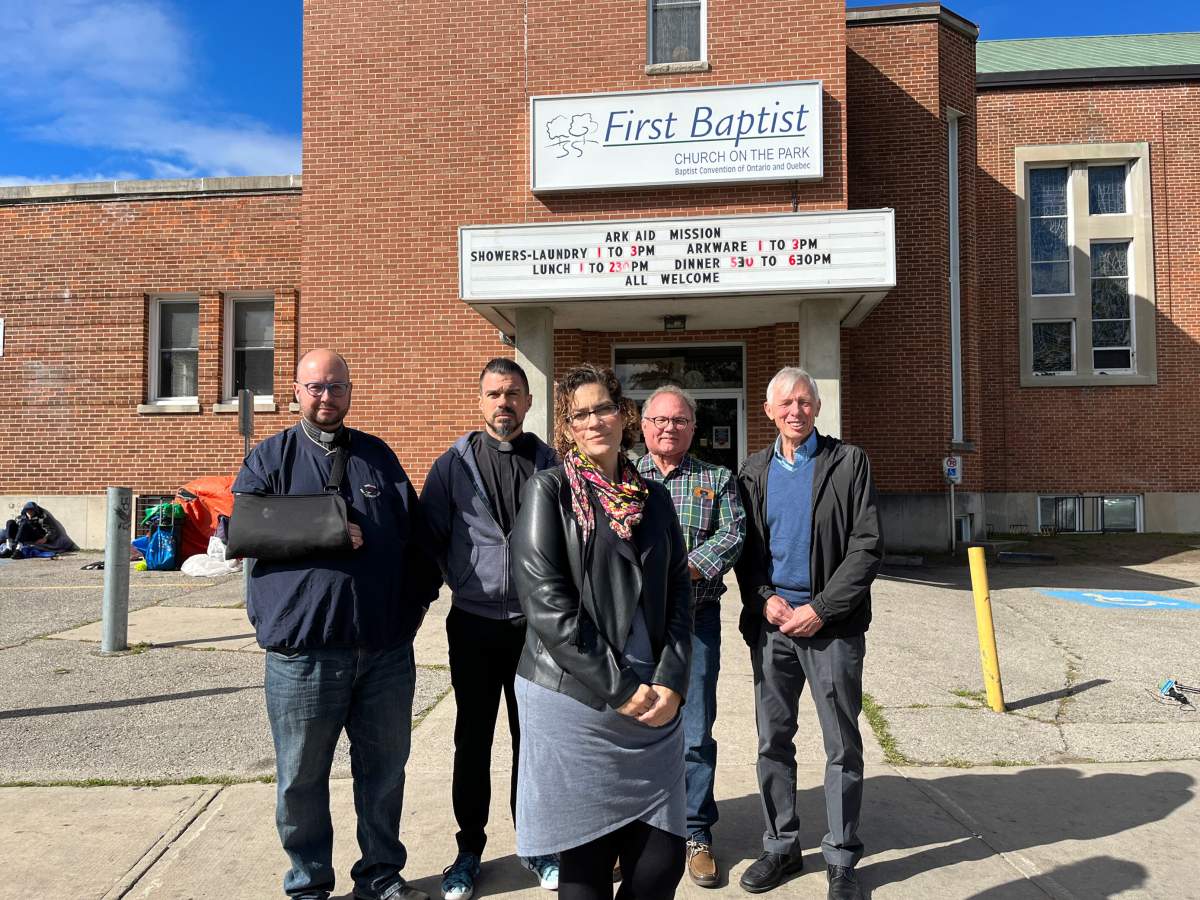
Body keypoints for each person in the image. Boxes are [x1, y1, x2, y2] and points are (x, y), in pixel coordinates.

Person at [232, 349, 441, 900]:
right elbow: (245, 529)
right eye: (316, 387)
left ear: (350, 391)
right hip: (304, 653)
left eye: (337, 386)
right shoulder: (270, 458)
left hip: (384, 651)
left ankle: (380, 876)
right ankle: (308, 885)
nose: (327, 397)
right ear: (296, 391)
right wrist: (325, 530)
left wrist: (412, 612)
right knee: (301, 778)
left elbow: (416, 541)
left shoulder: (377, 457)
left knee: (385, 773)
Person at [510, 363, 693, 900]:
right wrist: (621, 688)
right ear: (567, 428)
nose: (594, 421)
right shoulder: (549, 491)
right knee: (586, 866)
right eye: (580, 414)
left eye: (604, 408)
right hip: (577, 700)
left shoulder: (654, 498)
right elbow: (547, 605)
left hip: (653, 700)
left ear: (623, 415)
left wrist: (672, 680)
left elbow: (679, 596)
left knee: (661, 865)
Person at [734, 367, 882, 900]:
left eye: (804, 401)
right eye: (785, 403)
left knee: (841, 744)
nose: (795, 410)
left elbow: (866, 546)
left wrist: (820, 609)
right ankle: (781, 846)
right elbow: (745, 550)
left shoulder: (848, 462)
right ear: (769, 412)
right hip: (773, 627)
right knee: (773, 740)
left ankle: (841, 857)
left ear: (816, 408)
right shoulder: (753, 471)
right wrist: (764, 598)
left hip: (831, 628)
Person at [421, 358, 560, 900]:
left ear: (528, 402)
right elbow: (430, 538)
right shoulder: (452, 466)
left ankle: (538, 846)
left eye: (513, 393)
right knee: (473, 740)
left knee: (534, 741)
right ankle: (468, 850)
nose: (504, 402)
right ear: (480, 401)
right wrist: (459, 578)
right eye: (494, 393)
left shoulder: (550, 464)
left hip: (535, 629)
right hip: (473, 625)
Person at [635, 385, 745, 888]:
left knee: (695, 731)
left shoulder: (716, 479)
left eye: (679, 420)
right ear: (643, 426)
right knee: (634, 729)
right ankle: (636, 830)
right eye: (660, 420)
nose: (669, 428)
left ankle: (695, 832)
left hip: (696, 621)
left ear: (693, 428)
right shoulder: (624, 476)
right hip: (636, 628)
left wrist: (680, 570)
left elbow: (733, 534)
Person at [1, 501, 77, 558]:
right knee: (10, 522)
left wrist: (45, 538)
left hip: (36, 534)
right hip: (22, 535)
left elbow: (52, 530)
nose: (29, 512)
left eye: (31, 510)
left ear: (35, 510)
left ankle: (19, 550)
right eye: (27, 511)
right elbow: (16, 527)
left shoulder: (43, 517)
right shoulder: (21, 517)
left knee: (25, 524)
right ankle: (9, 548)